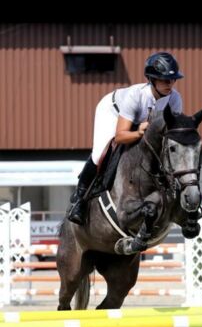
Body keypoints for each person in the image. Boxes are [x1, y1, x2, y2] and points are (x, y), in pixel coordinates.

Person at [68, 52, 184, 225]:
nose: (170, 84)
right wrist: (138, 133)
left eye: (173, 80)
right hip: (112, 111)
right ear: (152, 79)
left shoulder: (174, 99)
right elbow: (121, 136)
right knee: (100, 154)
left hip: (141, 123)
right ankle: (80, 200)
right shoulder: (136, 96)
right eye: (165, 80)